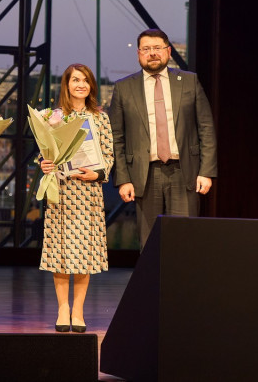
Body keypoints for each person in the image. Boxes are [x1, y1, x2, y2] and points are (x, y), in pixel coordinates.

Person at [109, 29, 217, 249]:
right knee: (149, 243)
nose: (152, 53)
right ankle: (152, 275)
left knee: (184, 240)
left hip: (184, 171)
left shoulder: (189, 81)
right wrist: (123, 179)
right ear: (139, 54)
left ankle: (183, 274)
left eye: (157, 48)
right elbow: (116, 137)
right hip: (144, 175)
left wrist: (206, 171)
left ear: (168, 51)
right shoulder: (124, 87)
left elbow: (206, 128)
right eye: (146, 49)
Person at [39, 64, 114, 333]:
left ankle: (78, 310)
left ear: (91, 86)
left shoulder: (100, 118)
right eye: (75, 80)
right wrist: (44, 164)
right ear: (67, 85)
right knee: (60, 253)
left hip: (88, 192)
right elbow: (45, 153)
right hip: (61, 191)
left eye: (85, 80)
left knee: (83, 254)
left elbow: (108, 156)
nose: (81, 84)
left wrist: (97, 174)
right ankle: (63, 309)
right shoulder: (53, 117)